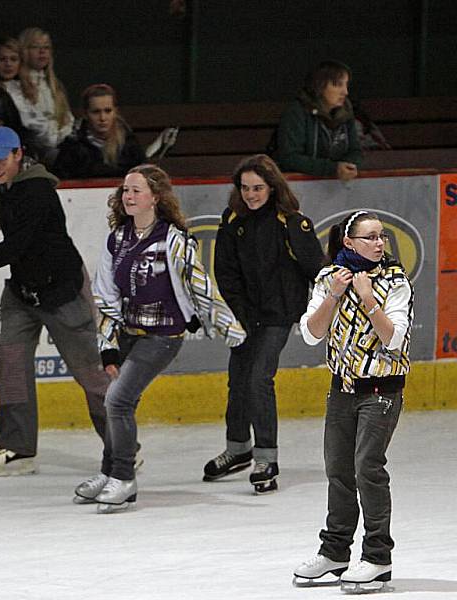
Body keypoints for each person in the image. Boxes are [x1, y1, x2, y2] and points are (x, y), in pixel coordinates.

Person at [73, 164, 246, 513]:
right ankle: (109, 473)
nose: (129, 196)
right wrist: (108, 348)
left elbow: (201, 286)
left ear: (155, 197)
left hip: (164, 335)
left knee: (118, 401)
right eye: (125, 190)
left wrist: (231, 331)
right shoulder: (118, 239)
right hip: (128, 334)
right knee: (115, 400)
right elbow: (105, 296)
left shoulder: (173, 240)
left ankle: (123, 478)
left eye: (136, 190)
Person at [0, 127, 109, 476]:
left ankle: (121, 444)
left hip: (62, 290)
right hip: (22, 292)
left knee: (90, 372)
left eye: (1, 160)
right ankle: (19, 448)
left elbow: (18, 244)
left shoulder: (36, 191)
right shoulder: (3, 190)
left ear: (19, 154)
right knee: (11, 365)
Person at [293, 210, 412, 593]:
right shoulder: (329, 278)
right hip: (341, 389)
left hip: (381, 390)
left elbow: (394, 339)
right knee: (338, 470)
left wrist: (368, 300)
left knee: (367, 468)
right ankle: (335, 552)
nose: (379, 244)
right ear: (349, 243)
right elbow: (312, 334)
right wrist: (335, 296)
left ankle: (378, 557)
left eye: (382, 237)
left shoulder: (395, 281)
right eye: (370, 237)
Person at [203, 154, 323, 494]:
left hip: (280, 314)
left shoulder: (291, 221)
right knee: (238, 379)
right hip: (246, 315)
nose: (251, 195)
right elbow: (225, 271)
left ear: (272, 187)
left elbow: (316, 267)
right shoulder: (232, 219)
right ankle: (238, 447)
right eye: (245, 188)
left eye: (257, 188)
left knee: (259, 379)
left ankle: (266, 456)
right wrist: (238, 312)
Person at [273, 60, 362, 181]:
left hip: (334, 186)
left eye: (346, 85)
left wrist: (348, 166)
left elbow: (355, 150)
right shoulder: (297, 112)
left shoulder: (346, 112)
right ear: (320, 86)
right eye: (338, 85)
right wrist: (332, 168)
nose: (345, 92)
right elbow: (290, 158)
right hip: (297, 185)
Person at [52, 84, 146, 180]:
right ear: (85, 113)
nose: (102, 118)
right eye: (96, 112)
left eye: (108, 111)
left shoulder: (129, 144)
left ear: (115, 111)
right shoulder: (72, 147)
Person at [17, 27, 75, 163]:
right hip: (34, 149)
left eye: (46, 47)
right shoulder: (16, 86)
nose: (42, 51)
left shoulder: (54, 85)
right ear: (24, 51)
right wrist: (52, 137)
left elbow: (67, 119)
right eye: (35, 47)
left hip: (59, 146)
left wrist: (61, 136)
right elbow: (29, 122)